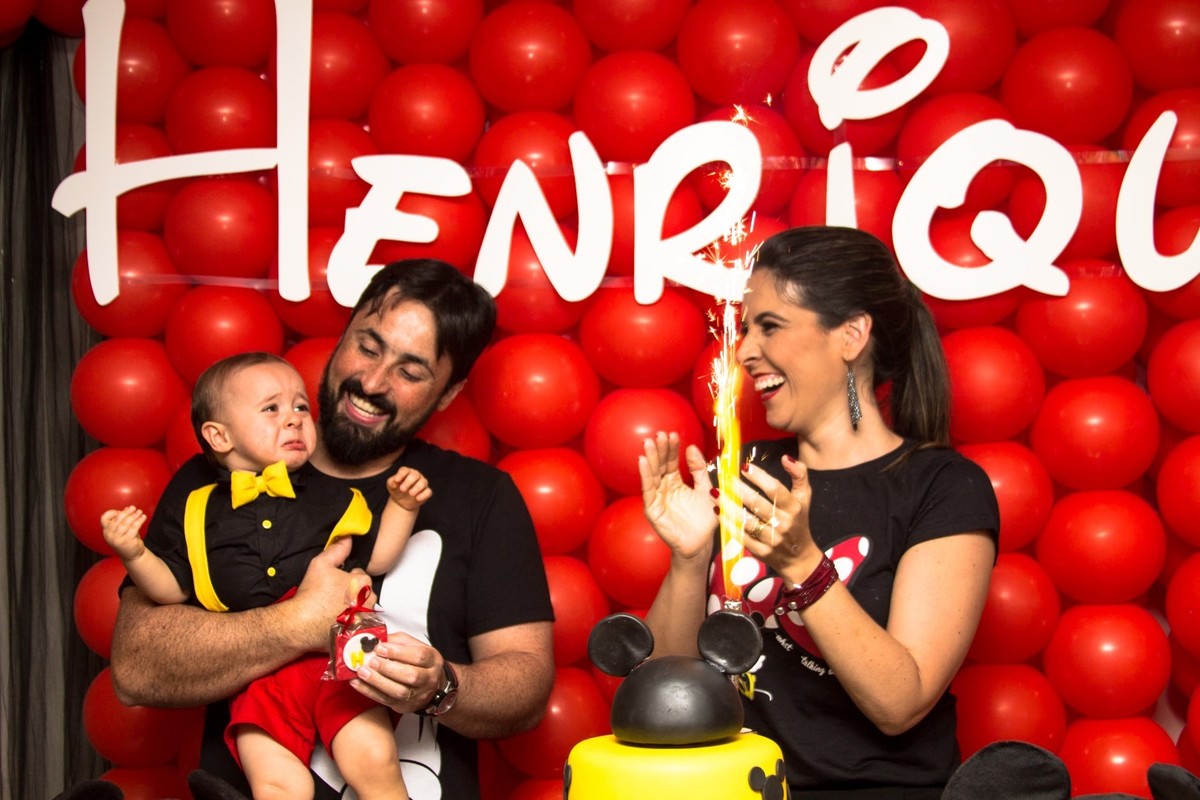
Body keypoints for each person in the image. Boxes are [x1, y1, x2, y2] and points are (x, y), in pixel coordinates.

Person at [108, 259, 556, 800]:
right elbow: (135, 668)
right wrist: (298, 622)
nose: (372, 382)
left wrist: (440, 686)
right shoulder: (220, 478)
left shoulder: (481, 497)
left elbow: (527, 687)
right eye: (367, 347)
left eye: (411, 372)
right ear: (342, 336)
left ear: (447, 394)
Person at [638, 226, 999, 798]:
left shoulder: (943, 486)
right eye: (746, 328)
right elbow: (661, 693)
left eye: (770, 326)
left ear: (851, 335)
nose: (746, 351)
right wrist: (689, 559)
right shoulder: (744, 472)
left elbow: (900, 703)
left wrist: (804, 565)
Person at [102, 351, 432, 800]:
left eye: (301, 406)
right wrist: (134, 553)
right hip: (256, 678)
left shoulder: (333, 496)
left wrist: (402, 506)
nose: (294, 418)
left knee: (374, 760)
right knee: (278, 786)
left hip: (336, 658)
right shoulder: (196, 507)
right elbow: (170, 589)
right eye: (271, 408)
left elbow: (376, 560)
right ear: (219, 436)